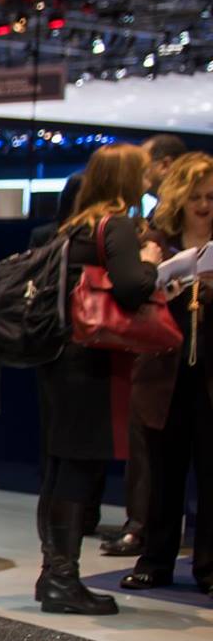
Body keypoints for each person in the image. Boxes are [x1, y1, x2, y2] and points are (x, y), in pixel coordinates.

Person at [34, 143, 161, 615]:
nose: (149, 181)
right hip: (92, 364)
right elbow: (132, 286)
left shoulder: (74, 226)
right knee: (80, 469)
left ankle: (55, 575)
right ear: (128, 178)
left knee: (62, 466)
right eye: (144, 173)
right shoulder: (118, 225)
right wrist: (150, 260)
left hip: (62, 360)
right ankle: (62, 580)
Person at [123, 151, 213, 593]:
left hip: (209, 374)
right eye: (195, 196)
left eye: (211, 196)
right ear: (179, 197)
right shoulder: (158, 240)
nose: (203, 205)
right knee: (162, 473)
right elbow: (132, 299)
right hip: (164, 374)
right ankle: (154, 560)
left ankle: (209, 567)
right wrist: (163, 284)